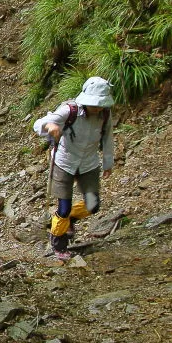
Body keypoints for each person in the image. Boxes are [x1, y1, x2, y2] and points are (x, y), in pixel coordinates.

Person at [32, 76, 115, 260]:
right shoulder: (69, 111)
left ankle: (70, 220)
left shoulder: (105, 115)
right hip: (64, 162)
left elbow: (108, 138)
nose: (98, 107)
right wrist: (51, 125)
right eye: (96, 104)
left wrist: (108, 163)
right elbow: (38, 124)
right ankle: (58, 243)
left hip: (89, 164)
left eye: (101, 104)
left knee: (92, 205)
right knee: (63, 208)